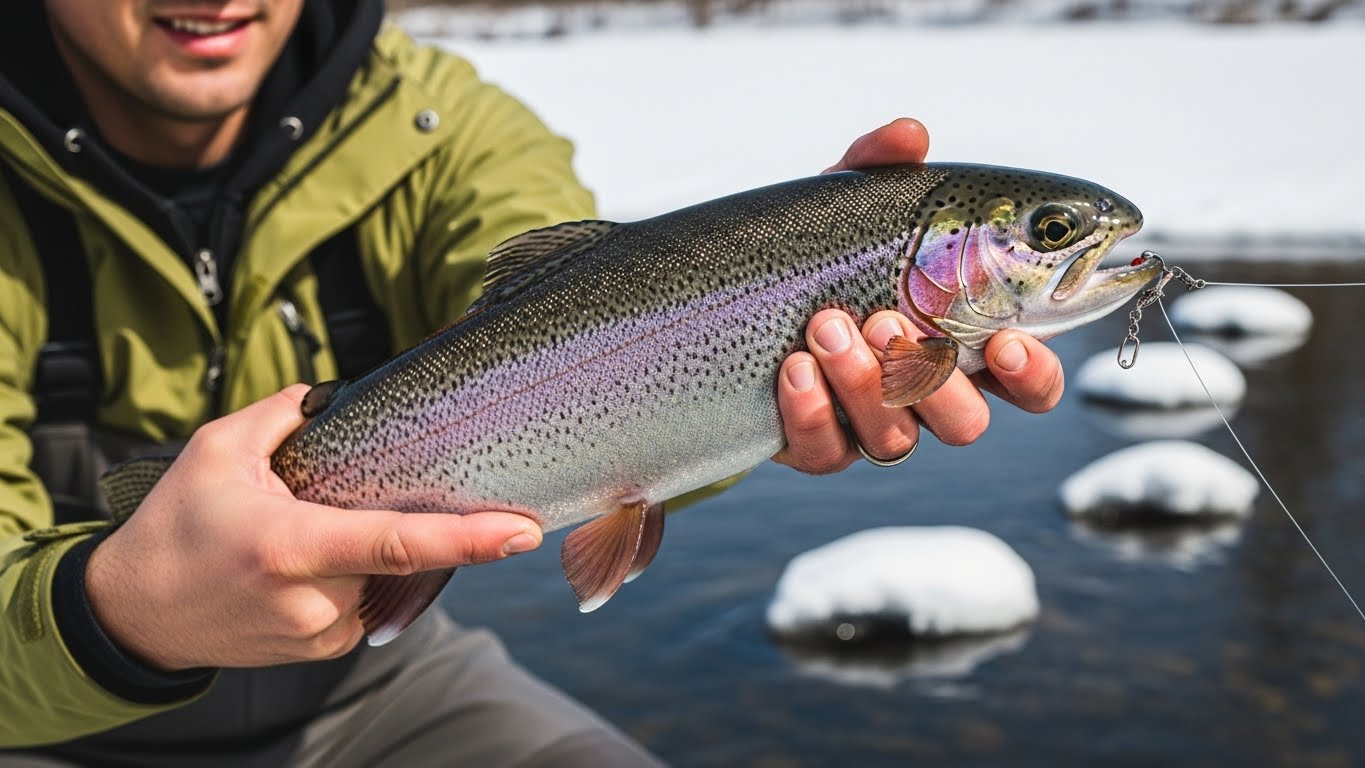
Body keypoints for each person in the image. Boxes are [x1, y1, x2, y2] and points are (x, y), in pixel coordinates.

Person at [0, 0, 1066, 764]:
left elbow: (563, 302)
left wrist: (766, 272)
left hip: (372, 686)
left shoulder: (431, 124)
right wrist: (115, 615)